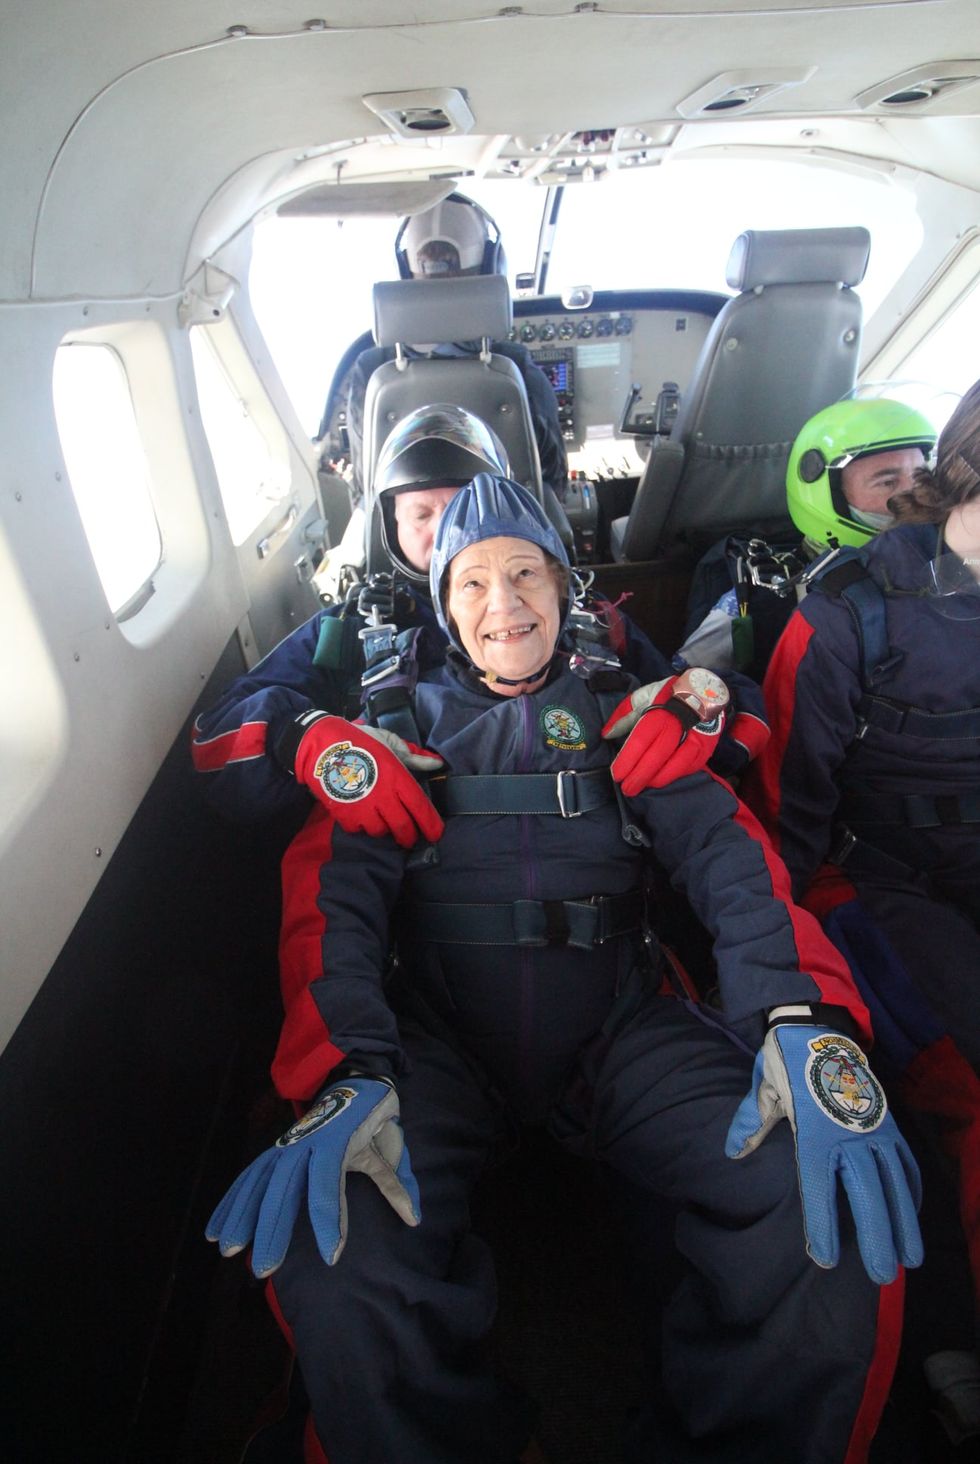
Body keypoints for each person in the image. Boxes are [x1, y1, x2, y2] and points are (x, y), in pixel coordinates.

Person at [206, 474, 921, 1464]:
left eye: (526, 574)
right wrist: (344, 1073)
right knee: (334, 1250)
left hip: (620, 1029)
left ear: (564, 587)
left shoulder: (633, 715)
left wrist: (797, 1018)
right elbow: (330, 917)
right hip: (437, 1049)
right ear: (441, 604)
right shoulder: (392, 739)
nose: (503, 605)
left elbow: (734, 868)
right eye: (472, 583)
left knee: (818, 1199)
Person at [740, 380, 980, 1439]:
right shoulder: (844, 613)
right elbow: (784, 806)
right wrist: (785, 976)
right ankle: (948, 1325)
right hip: (878, 875)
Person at [193, 403, 768, 835]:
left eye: (465, 501)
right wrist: (304, 740)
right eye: (422, 512)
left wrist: (707, 698)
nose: (447, 527)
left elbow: (698, 716)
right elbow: (213, 745)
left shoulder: (586, 622)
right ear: (387, 527)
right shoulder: (344, 635)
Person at [324, 192, 568, 504]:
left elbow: (366, 486)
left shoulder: (372, 369)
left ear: (405, 271)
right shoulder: (513, 365)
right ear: (491, 268)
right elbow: (551, 478)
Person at [677, 397, 937, 684]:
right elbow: (683, 688)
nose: (913, 493)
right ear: (829, 495)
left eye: (920, 476)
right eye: (887, 482)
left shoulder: (952, 568)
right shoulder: (765, 599)